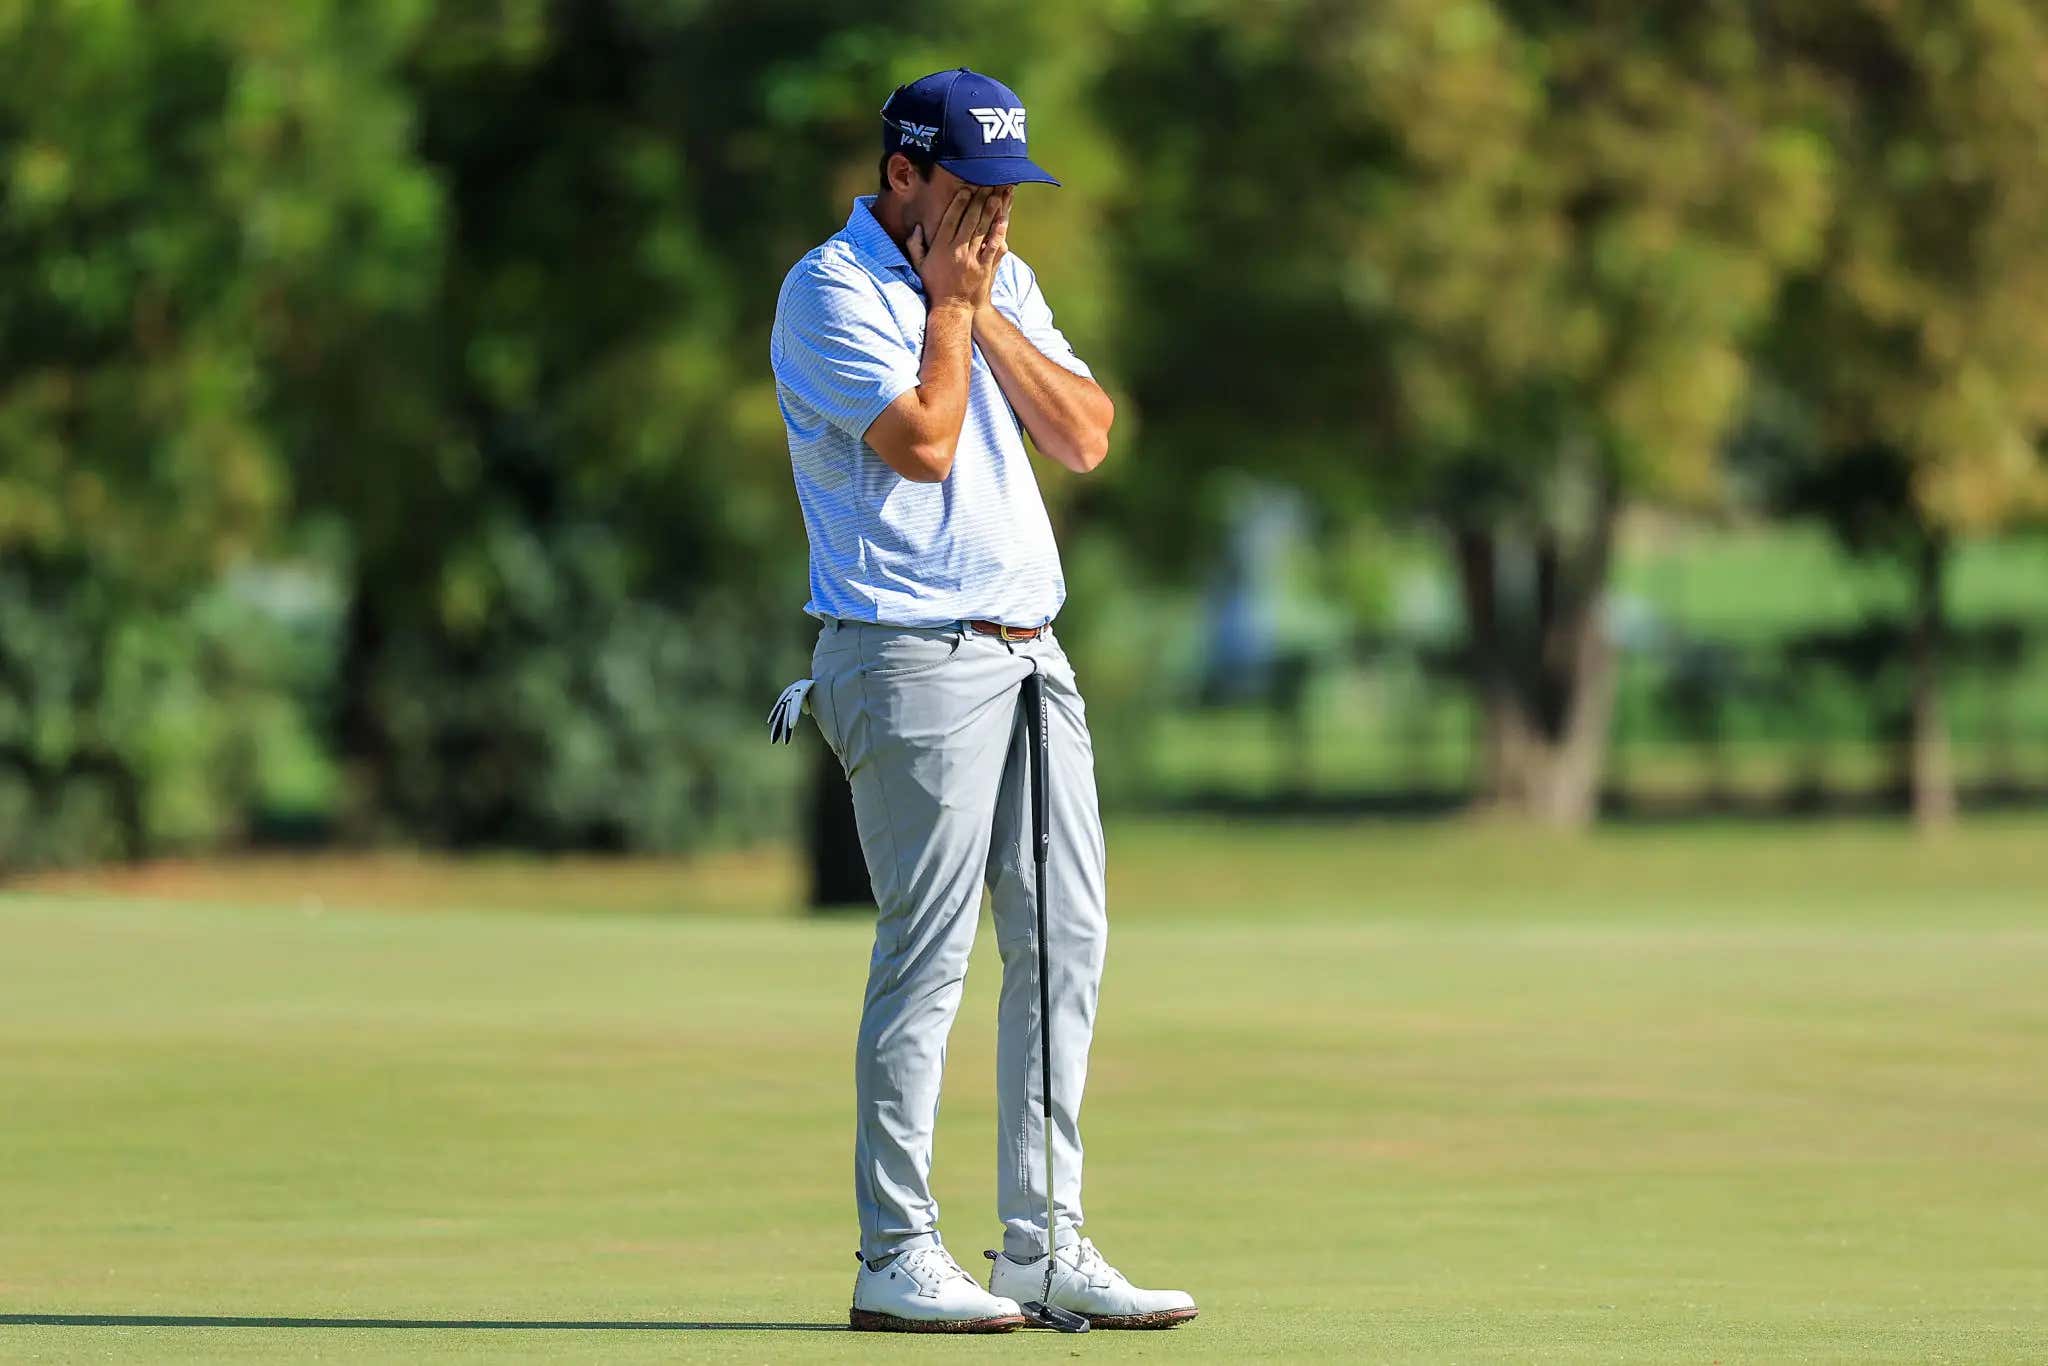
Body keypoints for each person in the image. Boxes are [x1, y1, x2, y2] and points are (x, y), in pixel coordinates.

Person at [769, 68, 1199, 1333]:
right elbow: (923, 440)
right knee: (930, 954)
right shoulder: (827, 290)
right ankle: (894, 1250)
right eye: (971, 192)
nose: (995, 220)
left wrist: (978, 301)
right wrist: (947, 309)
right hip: (905, 658)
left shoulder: (993, 278)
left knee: (1064, 944)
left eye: (1008, 196)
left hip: (1029, 655)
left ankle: (1044, 1246)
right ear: (902, 175)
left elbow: (1086, 433)